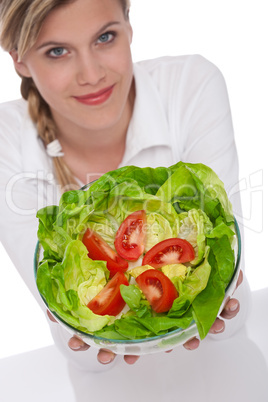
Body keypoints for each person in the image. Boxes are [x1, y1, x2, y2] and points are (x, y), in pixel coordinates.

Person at [0, 0, 247, 371]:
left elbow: (228, 293)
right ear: (18, 59)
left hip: (232, 372)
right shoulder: (6, 140)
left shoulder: (190, 85)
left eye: (105, 37)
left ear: (129, 26)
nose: (91, 74)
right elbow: (76, 339)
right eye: (57, 51)